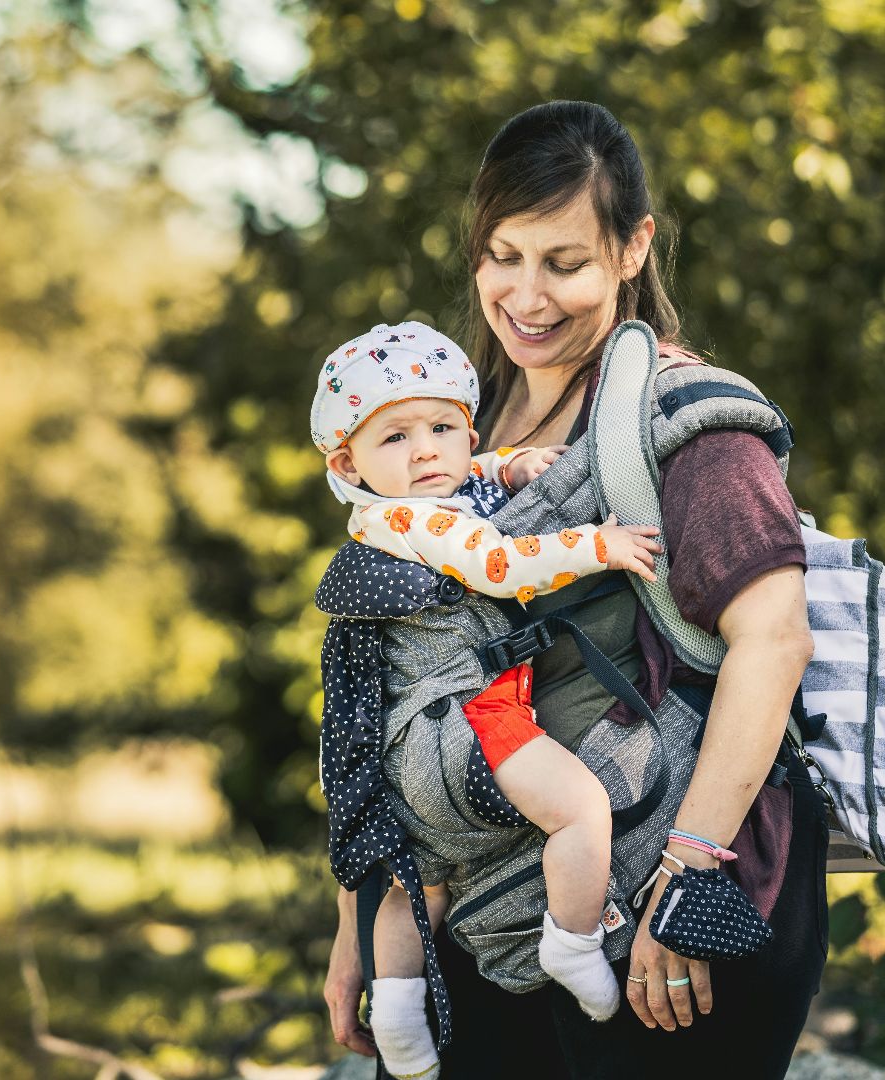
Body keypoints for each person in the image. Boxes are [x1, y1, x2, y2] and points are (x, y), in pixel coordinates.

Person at [320, 100, 825, 1078]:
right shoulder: (455, 426)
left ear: (633, 249)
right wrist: (364, 913)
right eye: (503, 255)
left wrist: (689, 880)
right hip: (482, 910)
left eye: (564, 262)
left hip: (663, 898)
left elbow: (777, 640)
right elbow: (388, 670)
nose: (527, 295)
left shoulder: (685, 413)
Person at [309, 321, 664, 1077]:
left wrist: (507, 467)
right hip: (471, 723)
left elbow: (465, 480)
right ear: (348, 461)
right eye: (396, 438)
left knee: (419, 882)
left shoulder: (393, 509)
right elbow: (500, 563)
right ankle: (571, 944)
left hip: (409, 750)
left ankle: (401, 1025)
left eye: (443, 427)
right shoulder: (416, 518)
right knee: (582, 810)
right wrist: (596, 546)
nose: (428, 451)